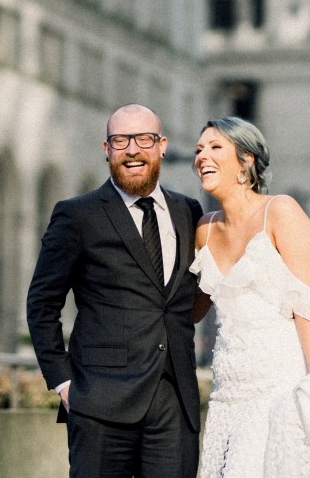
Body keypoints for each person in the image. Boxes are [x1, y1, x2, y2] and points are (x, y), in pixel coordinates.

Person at [27, 104, 203, 478]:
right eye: (120, 140)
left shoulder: (189, 212)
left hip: (174, 403)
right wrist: (63, 382)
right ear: (106, 149)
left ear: (162, 146)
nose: (132, 150)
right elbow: (42, 303)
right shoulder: (77, 215)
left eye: (144, 139)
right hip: (99, 403)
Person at [191, 116, 310, 477]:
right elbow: (193, 310)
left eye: (215, 147)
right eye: (199, 149)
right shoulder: (204, 229)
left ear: (246, 161)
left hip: (278, 386)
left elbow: (306, 308)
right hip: (227, 391)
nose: (202, 156)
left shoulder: (281, 212)